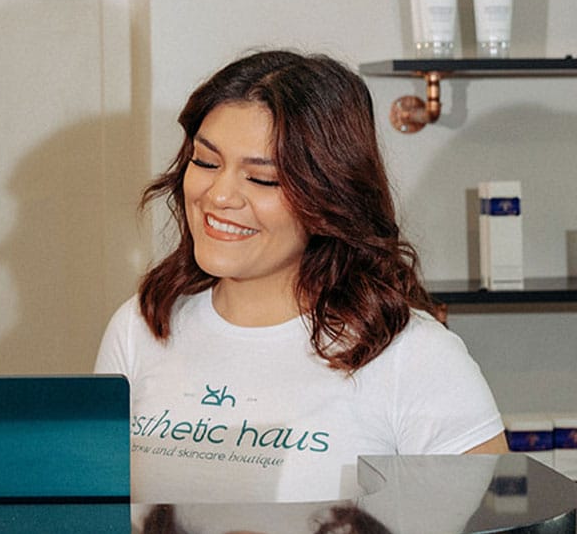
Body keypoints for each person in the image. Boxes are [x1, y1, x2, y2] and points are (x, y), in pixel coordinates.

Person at [95, 50, 505, 507]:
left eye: (262, 179)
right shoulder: (142, 326)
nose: (220, 195)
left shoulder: (412, 356)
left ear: (328, 195)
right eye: (206, 163)